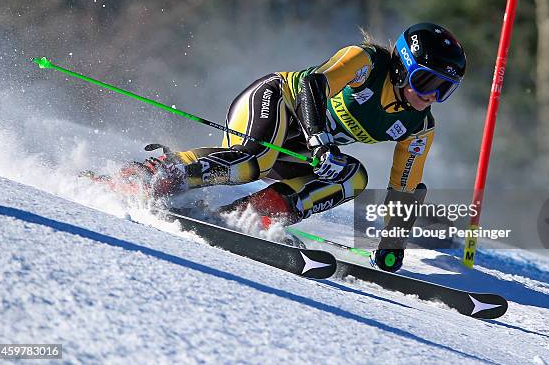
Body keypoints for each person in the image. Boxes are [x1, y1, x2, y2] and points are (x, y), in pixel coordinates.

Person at [115, 22, 467, 271]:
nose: (431, 96)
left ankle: (253, 214)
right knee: (253, 161)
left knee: (353, 178)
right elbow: (312, 85)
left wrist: (392, 243)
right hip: (275, 100)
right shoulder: (368, 62)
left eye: (444, 89)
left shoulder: (418, 127)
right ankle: (155, 174)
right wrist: (320, 139)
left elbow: (403, 189)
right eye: (426, 81)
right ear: (404, 67)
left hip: (305, 146)